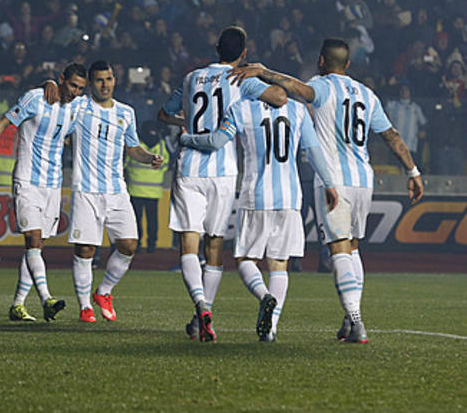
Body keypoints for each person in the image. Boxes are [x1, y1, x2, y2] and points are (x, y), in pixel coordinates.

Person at [229, 38, 424, 343]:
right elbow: (392, 135)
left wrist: (263, 72)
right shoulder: (367, 94)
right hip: (363, 180)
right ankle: (350, 319)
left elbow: (296, 89)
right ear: (348, 64)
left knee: (339, 249)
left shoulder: (321, 87)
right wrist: (412, 171)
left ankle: (357, 321)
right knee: (353, 247)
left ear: (322, 62)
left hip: (334, 180)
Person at [158, 25, 287, 342]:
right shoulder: (242, 80)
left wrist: (185, 123)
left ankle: (200, 306)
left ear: (216, 49)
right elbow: (280, 98)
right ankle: (205, 314)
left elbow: (164, 114)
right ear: (243, 53)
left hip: (189, 167)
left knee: (188, 243)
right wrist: (258, 73)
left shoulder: (191, 78)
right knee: (214, 245)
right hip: (223, 171)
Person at [180, 98, 338, 341]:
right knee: (279, 263)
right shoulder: (298, 110)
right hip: (289, 197)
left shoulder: (242, 108)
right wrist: (329, 183)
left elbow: (218, 141)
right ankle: (270, 329)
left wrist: (187, 138)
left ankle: (264, 296)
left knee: (245, 259)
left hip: (256, 195)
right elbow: (314, 151)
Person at [0, 63, 87, 323]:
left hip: (53, 185)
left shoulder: (76, 107)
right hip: (27, 181)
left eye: (80, 88)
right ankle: (47, 299)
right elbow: (3, 122)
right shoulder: (36, 98)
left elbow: (66, 136)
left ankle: (18, 304)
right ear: (61, 80)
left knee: (37, 247)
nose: (75, 92)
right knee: (33, 241)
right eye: (72, 86)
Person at [67, 60, 164, 323]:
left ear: (114, 79)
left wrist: (148, 157)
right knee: (85, 249)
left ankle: (104, 292)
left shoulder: (126, 112)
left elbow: (133, 147)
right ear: (90, 83)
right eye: (99, 80)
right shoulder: (78, 107)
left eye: (108, 79)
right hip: (85, 190)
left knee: (129, 245)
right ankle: (85, 306)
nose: (105, 84)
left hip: (116, 190)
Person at [125, 120, 171, 253]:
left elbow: (125, 164)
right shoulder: (161, 145)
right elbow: (166, 165)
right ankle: (152, 245)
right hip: (154, 191)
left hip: (135, 189)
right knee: (152, 220)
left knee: (136, 220)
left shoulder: (135, 145)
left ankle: (137, 244)